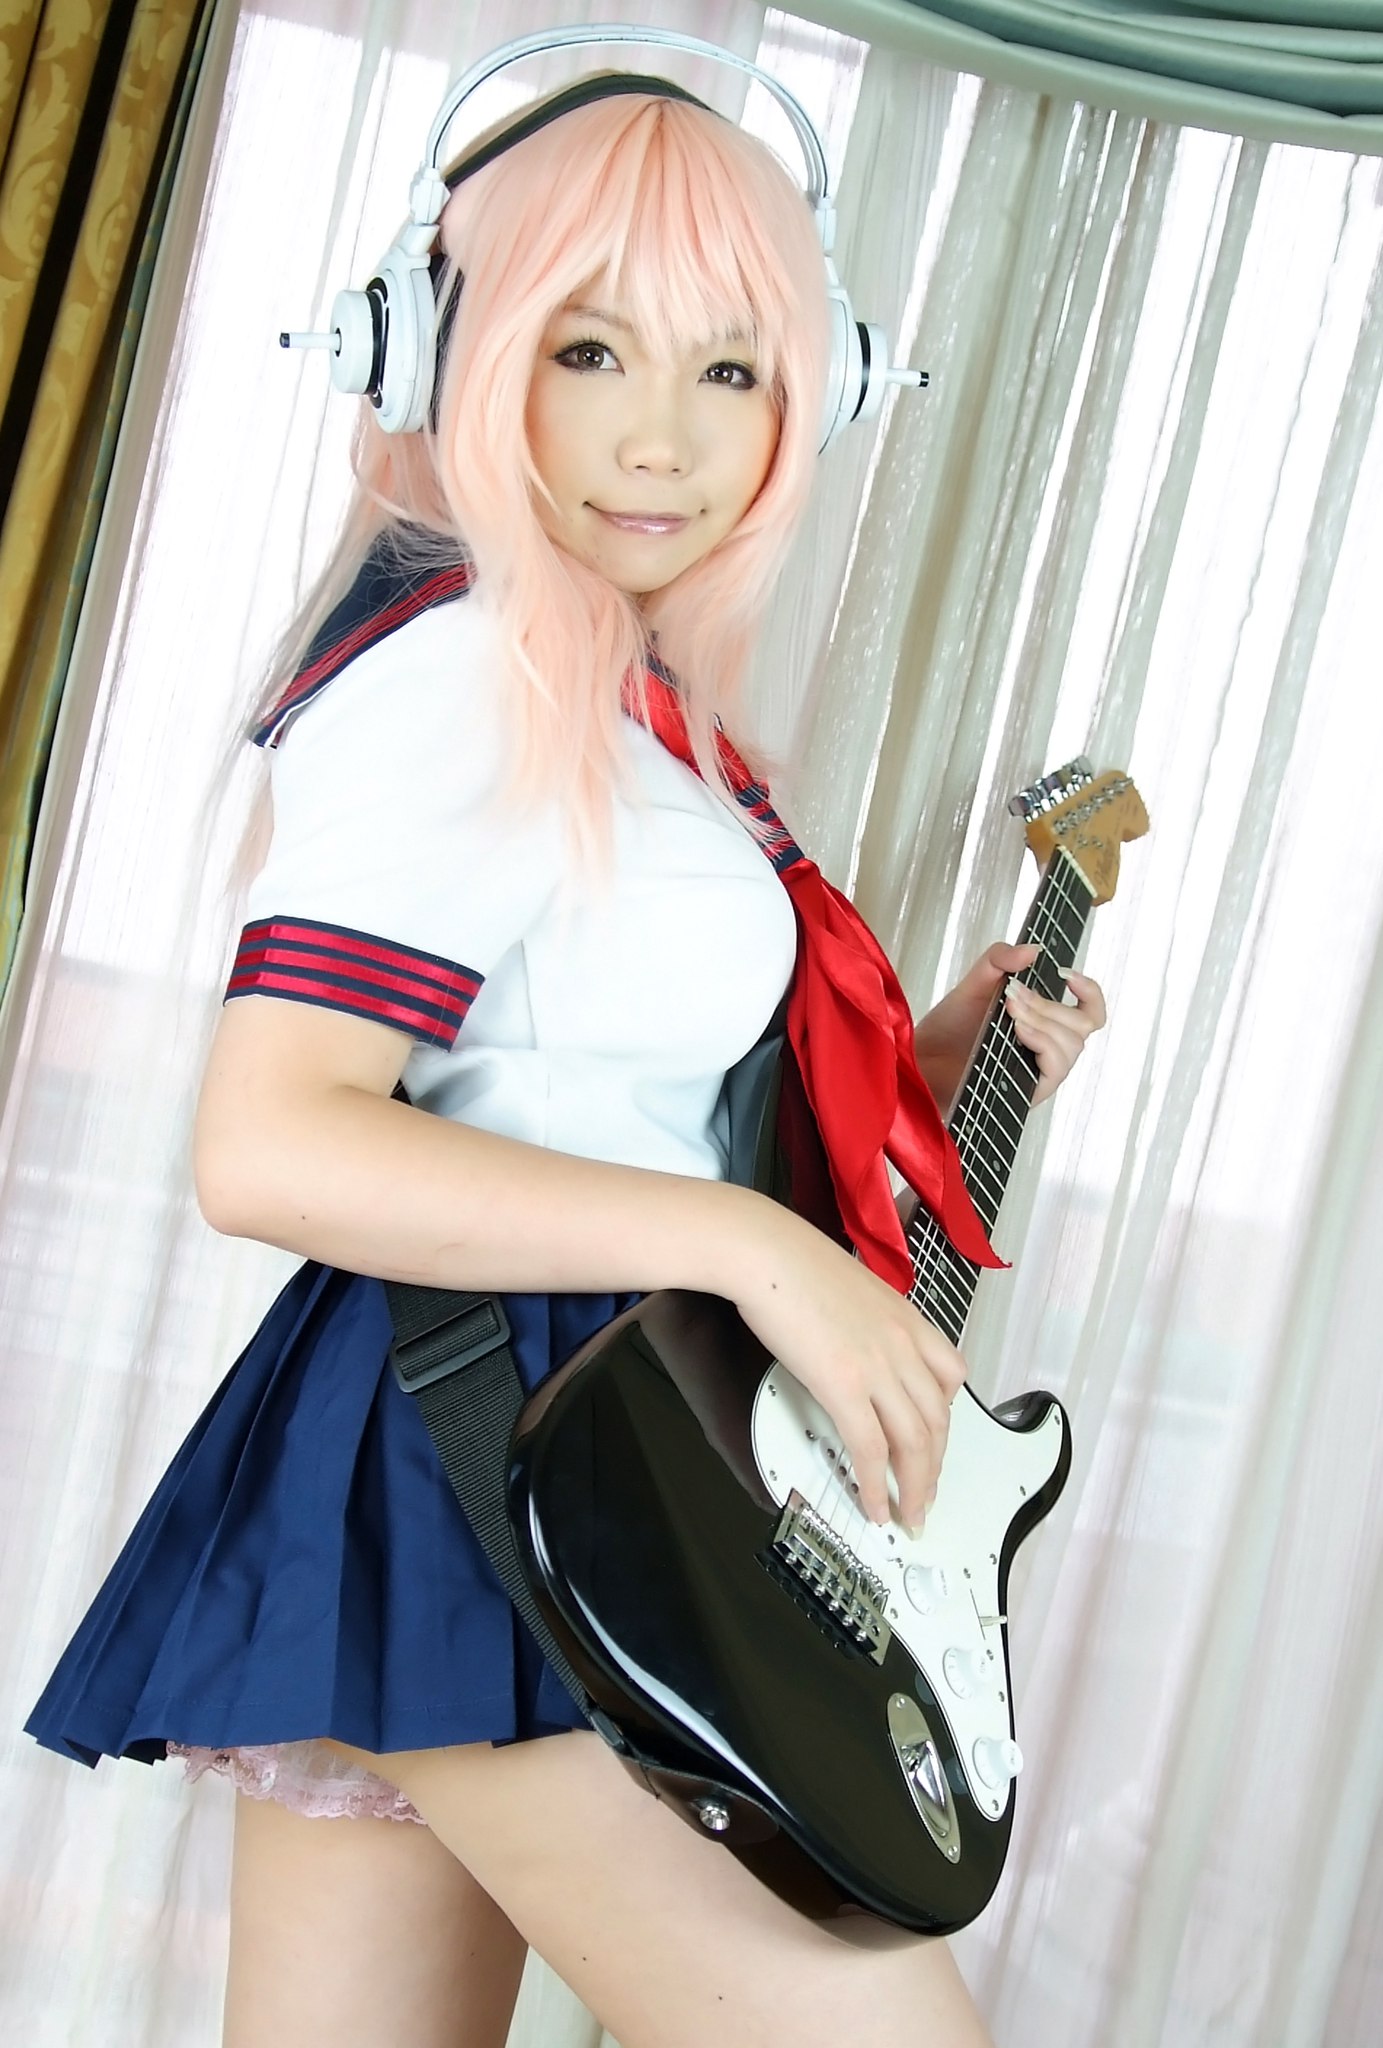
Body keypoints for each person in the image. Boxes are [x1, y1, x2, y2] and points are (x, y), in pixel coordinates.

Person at [25, 59, 1104, 2048]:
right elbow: (271, 1143)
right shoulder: (464, 673)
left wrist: (927, 1057)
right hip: (512, 1443)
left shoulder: (602, 697)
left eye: (732, 369)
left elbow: (580, 1093)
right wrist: (755, 1251)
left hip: (519, 1427)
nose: (661, 437)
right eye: (590, 348)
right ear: (450, 351)